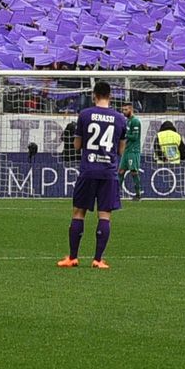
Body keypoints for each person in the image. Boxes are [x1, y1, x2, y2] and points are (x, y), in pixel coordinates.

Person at [58, 81, 126, 270]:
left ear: (93, 95)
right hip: (108, 172)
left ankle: (72, 258)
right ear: (110, 96)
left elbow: (77, 146)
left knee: (79, 212)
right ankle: (98, 259)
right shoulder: (120, 118)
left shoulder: (85, 115)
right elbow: (121, 149)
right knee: (104, 215)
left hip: (88, 170)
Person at [118, 102, 144, 201]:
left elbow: (135, 137)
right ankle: (115, 195)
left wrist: (124, 134)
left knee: (133, 171)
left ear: (131, 109)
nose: (124, 112)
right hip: (127, 150)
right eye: (123, 110)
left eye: (126, 110)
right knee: (120, 171)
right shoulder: (127, 121)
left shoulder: (135, 121)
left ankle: (138, 194)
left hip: (133, 151)